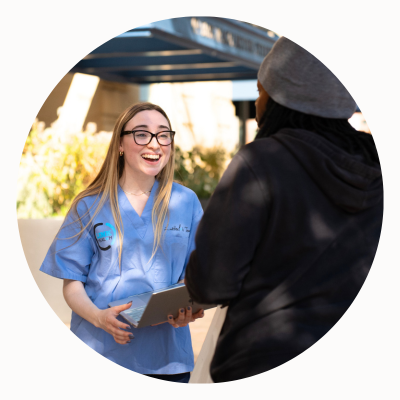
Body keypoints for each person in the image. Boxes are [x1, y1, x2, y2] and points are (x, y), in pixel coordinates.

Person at [185, 37, 383, 383]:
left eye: (261, 91)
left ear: (282, 98)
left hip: (262, 360)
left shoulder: (259, 162)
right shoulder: (379, 166)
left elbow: (213, 284)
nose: (258, 102)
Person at [40, 102, 204, 383]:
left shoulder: (186, 202)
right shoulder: (89, 205)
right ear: (120, 143)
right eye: (141, 134)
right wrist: (98, 317)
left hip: (166, 361)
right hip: (99, 354)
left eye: (163, 134)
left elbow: (199, 276)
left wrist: (190, 310)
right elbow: (72, 282)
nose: (154, 143)